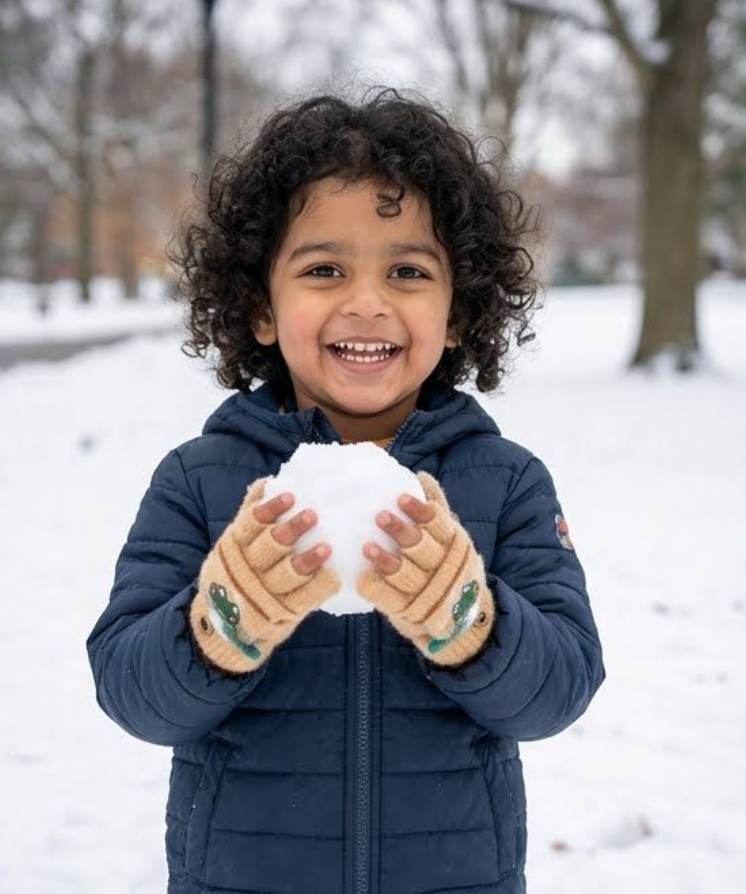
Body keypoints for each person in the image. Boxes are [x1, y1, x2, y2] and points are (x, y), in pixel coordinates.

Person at [86, 86, 605, 894]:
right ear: (261, 305)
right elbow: (131, 692)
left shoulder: (505, 484)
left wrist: (471, 622)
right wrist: (220, 628)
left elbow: (561, 688)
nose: (367, 302)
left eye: (407, 270)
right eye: (324, 268)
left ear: (459, 308)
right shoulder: (201, 480)